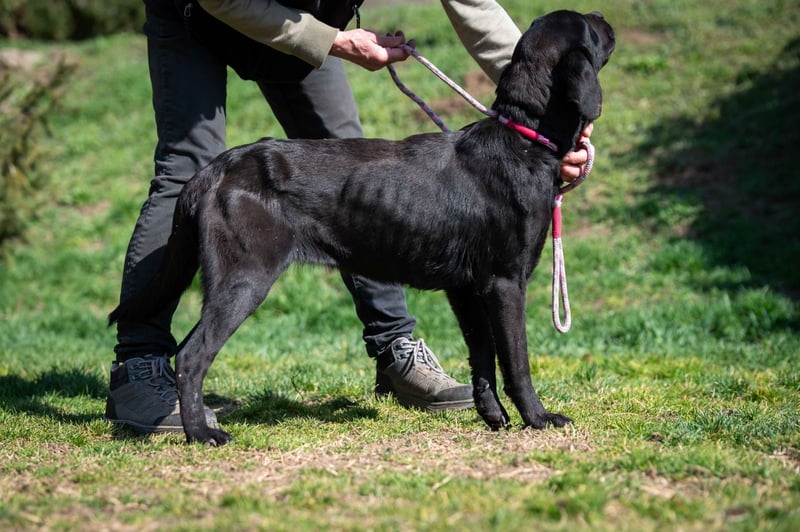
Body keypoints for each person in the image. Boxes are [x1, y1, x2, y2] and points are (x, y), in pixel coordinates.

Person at [106, 0, 593, 434]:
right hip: (201, 13)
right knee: (188, 166)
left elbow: (475, 8)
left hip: (304, 15)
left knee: (357, 171)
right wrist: (332, 41)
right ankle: (141, 362)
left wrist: (549, 118)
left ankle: (394, 348)